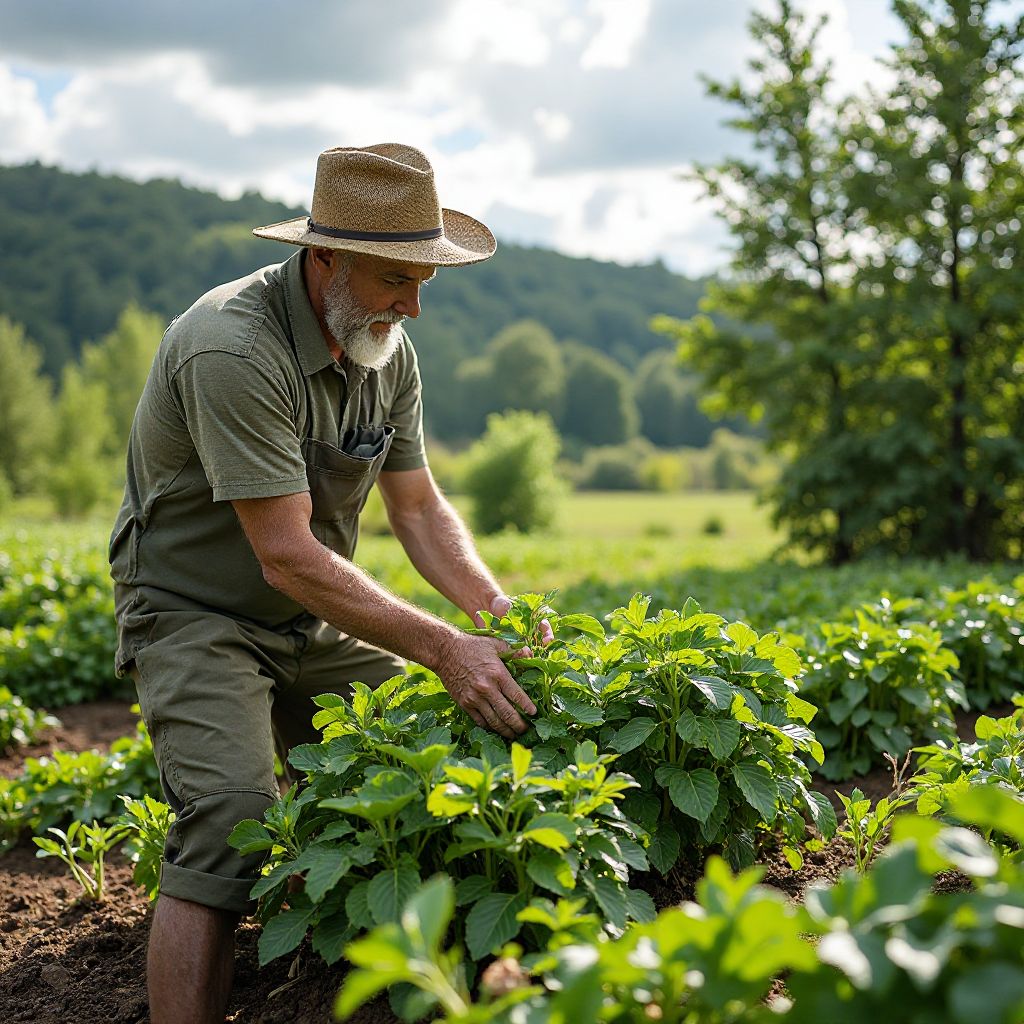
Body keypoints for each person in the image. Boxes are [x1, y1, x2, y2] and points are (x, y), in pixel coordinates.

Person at [109, 143, 548, 1024]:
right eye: (396, 278)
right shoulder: (231, 347)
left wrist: (501, 614)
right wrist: (440, 646)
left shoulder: (383, 348)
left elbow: (419, 512)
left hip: (310, 619)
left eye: (424, 280)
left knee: (430, 753)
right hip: (197, 613)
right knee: (233, 819)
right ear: (326, 256)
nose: (413, 306)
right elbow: (285, 551)